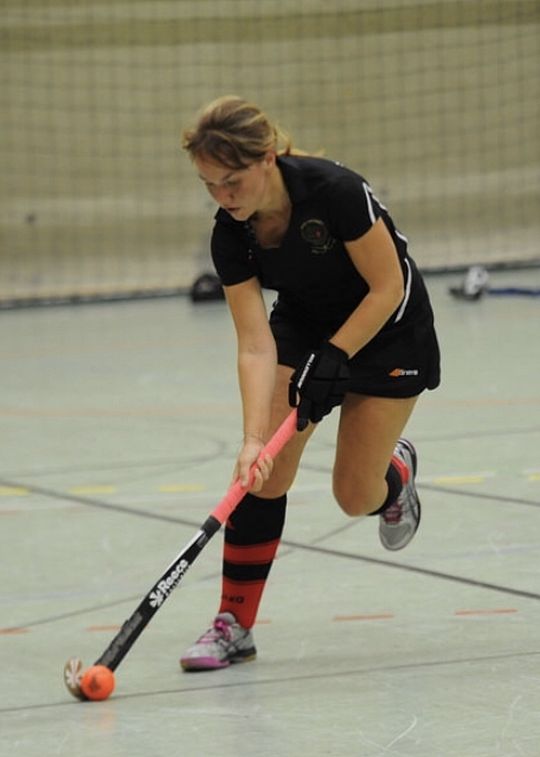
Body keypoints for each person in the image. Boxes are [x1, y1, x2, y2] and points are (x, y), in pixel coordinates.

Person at [179, 95, 440, 671]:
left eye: (233, 180)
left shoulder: (334, 192)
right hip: (304, 327)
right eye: (210, 186)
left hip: (389, 329)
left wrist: (338, 354)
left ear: (267, 158)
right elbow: (253, 342)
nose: (224, 197)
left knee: (356, 495)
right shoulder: (232, 235)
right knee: (260, 478)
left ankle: (396, 476)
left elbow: (387, 288)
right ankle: (234, 626)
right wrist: (252, 440)